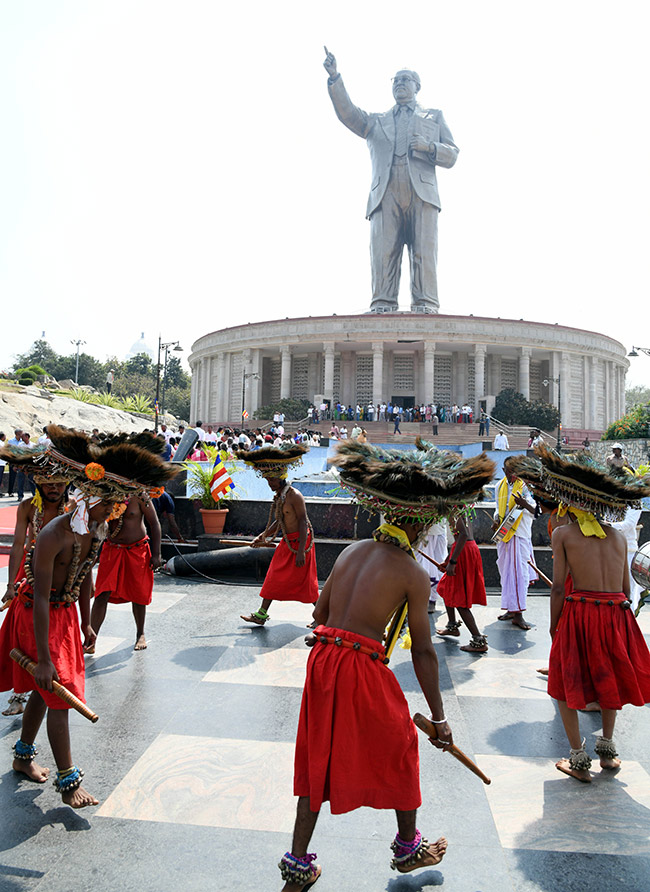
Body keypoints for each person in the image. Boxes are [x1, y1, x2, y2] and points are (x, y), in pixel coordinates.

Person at [277, 438, 495, 888]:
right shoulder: (412, 572)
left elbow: (319, 615)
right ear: (418, 525)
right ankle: (408, 847)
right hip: (359, 664)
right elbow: (423, 649)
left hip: (322, 660)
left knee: (316, 758)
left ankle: (298, 866)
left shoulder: (353, 550)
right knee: (401, 745)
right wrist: (439, 716)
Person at [0, 425, 175, 808]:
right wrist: (44, 657)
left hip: (63, 617)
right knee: (58, 693)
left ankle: (22, 755)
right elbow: (42, 597)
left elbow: (82, 578)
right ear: (94, 496)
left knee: (47, 693)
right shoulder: (54, 534)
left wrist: (86, 621)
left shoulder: (95, 531)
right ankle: (68, 782)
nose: (117, 514)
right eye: (112, 506)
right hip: (34, 613)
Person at [514, 444, 650, 782]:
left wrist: (554, 624)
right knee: (610, 678)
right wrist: (621, 616)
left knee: (564, 684)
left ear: (573, 501)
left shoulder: (563, 534)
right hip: (616, 611)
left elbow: (558, 587)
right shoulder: (619, 537)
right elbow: (626, 587)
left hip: (581, 612)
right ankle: (607, 749)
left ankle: (577, 758)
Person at [324, 49, 458, 314]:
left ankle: (426, 303)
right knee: (384, 252)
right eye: (395, 80)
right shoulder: (376, 121)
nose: (399, 84)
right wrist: (335, 78)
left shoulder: (434, 116)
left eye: (405, 79)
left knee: (424, 252)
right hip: (385, 191)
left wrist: (430, 147)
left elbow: (452, 154)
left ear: (417, 87)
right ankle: (382, 303)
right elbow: (348, 114)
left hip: (422, 191)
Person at [1, 451, 70, 716]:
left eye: (59, 483)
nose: (54, 488)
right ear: (39, 484)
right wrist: (10, 584)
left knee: (56, 633)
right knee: (23, 633)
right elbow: (18, 544)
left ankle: (53, 681)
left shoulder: (74, 507)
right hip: (29, 576)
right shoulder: (28, 507)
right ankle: (19, 692)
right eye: (49, 483)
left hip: (62, 578)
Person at [236, 445, 318, 626]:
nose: (269, 484)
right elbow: (279, 522)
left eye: (271, 481)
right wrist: (262, 536)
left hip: (301, 543)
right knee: (273, 575)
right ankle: (261, 614)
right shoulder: (280, 495)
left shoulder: (295, 495)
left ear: (280, 478)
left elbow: (303, 522)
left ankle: (322, 618)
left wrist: (301, 552)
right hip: (288, 543)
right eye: (267, 481)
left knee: (307, 584)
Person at [90, 493, 162, 652]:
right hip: (111, 550)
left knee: (138, 594)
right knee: (102, 593)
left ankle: (140, 633)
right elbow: (94, 521)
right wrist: (92, 550)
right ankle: (91, 638)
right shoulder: (106, 493)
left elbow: (154, 523)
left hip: (137, 550)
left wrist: (156, 554)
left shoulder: (141, 496)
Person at [493, 457, 537, 630]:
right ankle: (511, 608)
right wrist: (496, 520)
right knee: (505, 573)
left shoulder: (526, 487)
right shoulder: (499, 486)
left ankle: (519, 614)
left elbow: (536, 510)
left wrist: (523, 503)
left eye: (515, 471)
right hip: (504, 535)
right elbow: (498, 508)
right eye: (509, 471)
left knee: (519, 575)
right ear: (504, 471)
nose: (512, 475)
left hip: (520, 535)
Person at [436, 513, 488, 652]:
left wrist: (453, 562)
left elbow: (463, 535)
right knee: (446, 587)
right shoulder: (461, 507)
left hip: (464, 552)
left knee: (459, 598)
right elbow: (460, 538)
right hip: (466, 550)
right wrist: (448, 560)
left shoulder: (454, 508)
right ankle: (452, 625)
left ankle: (478, 640)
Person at [414, 518, 448, 611]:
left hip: (440, 532)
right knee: (423, 565)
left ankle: (433, 600)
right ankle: (423, 599)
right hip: (425, 534)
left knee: (439, 565)